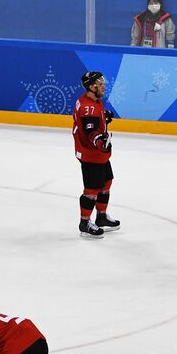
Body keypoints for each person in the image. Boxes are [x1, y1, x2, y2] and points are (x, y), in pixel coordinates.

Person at [72, 70, 120, 238]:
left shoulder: (91, 100)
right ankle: (84, 223)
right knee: (92, 190)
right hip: (91, 153)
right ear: (91, 87)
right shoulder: (88, 107)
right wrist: (100, 141)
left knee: (106, 181)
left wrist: (103, 117)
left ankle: (101, 217)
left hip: (99, 155)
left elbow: (92, 122)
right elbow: (90, 131)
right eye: (100, 84)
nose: (103, 86)